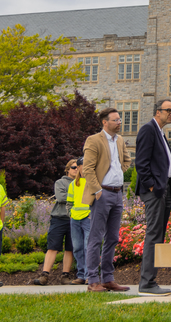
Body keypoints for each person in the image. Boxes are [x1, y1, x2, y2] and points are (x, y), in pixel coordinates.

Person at [81, 107, 132, 292]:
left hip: (118, 194)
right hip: (102, 194)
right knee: (95, 238)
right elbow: (87, 168)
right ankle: (93, 280)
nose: (120, 122)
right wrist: (97, 189)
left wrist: (118, 172)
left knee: (113, 237)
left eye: (120, 119)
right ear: (105, 122)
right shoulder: (94, 140)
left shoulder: (119, 140)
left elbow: (127, 160)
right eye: (116, 120)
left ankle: (108, 278)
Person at [134, 99, 171, 296]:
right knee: (153, 234)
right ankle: (147, 283)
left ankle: (151, 281)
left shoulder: (161, 133)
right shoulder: (148, 130)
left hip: (165, 190)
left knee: (159, 235)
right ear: (157, 111)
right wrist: (151, 185)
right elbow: (141, 163)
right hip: (155, 191)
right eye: (169, 111)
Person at [32, 159, 78, 285]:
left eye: (78, 167)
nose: (76, 169)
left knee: (70, 248)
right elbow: (61, 197)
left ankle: (65, 276)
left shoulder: (82, 182)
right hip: (59, 218)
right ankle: (44, 275)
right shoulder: (61, 182)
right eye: (74, 167)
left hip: (74, 218)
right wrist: (78, 197)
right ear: (68, 169)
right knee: (53, 247)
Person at [66, 157, 91, 285]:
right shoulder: (73, 184)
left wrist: (92, 213)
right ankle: (81, 275)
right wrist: (70, 213)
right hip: (75, 219)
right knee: (77, 248)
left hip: (88, 218)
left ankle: (89, 276)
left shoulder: (92, 182)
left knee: (88, 247)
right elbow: (69, 202)